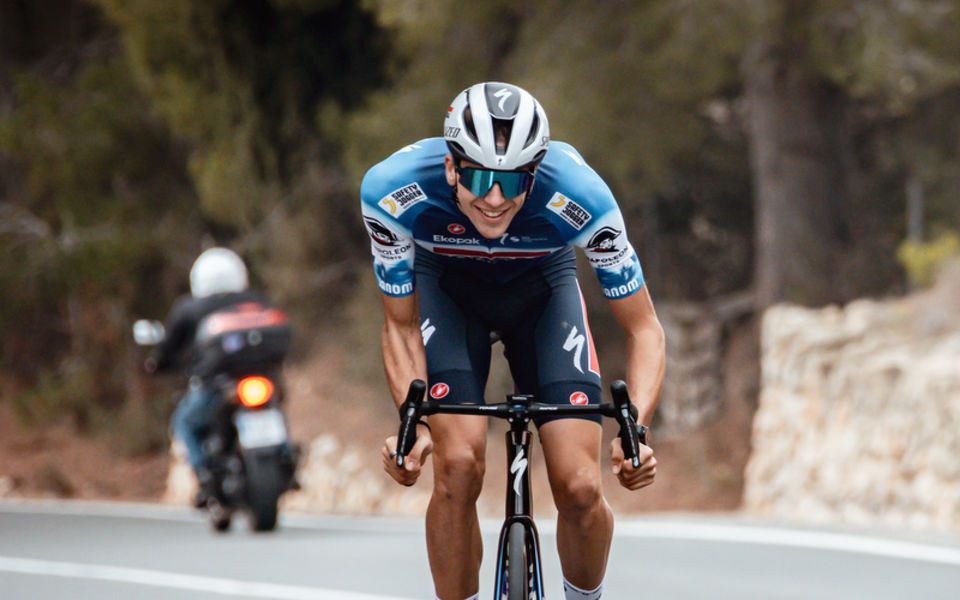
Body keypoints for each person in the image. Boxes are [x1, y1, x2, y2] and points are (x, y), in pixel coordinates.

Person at [360, 82, 665, 600]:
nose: (495, 199)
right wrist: (412, 428)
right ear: (453, 167)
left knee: (582, 487)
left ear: (535, 173)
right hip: (447, 290)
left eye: (513, 181)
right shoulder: (392, 191)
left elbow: (644, 329)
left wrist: (636, 432)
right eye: (478, 177)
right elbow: (401, 325)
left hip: (542, 292)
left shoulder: (581, 195)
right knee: (456, 468)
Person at [145, 247, 294, 506]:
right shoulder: (256, 300)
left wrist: (155, 362)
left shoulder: (188, 308)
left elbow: (168, 347)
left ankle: (205, 477)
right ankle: (285, 453)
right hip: (264, 379)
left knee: (184, 423)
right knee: (275, 407)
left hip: (216, 385)